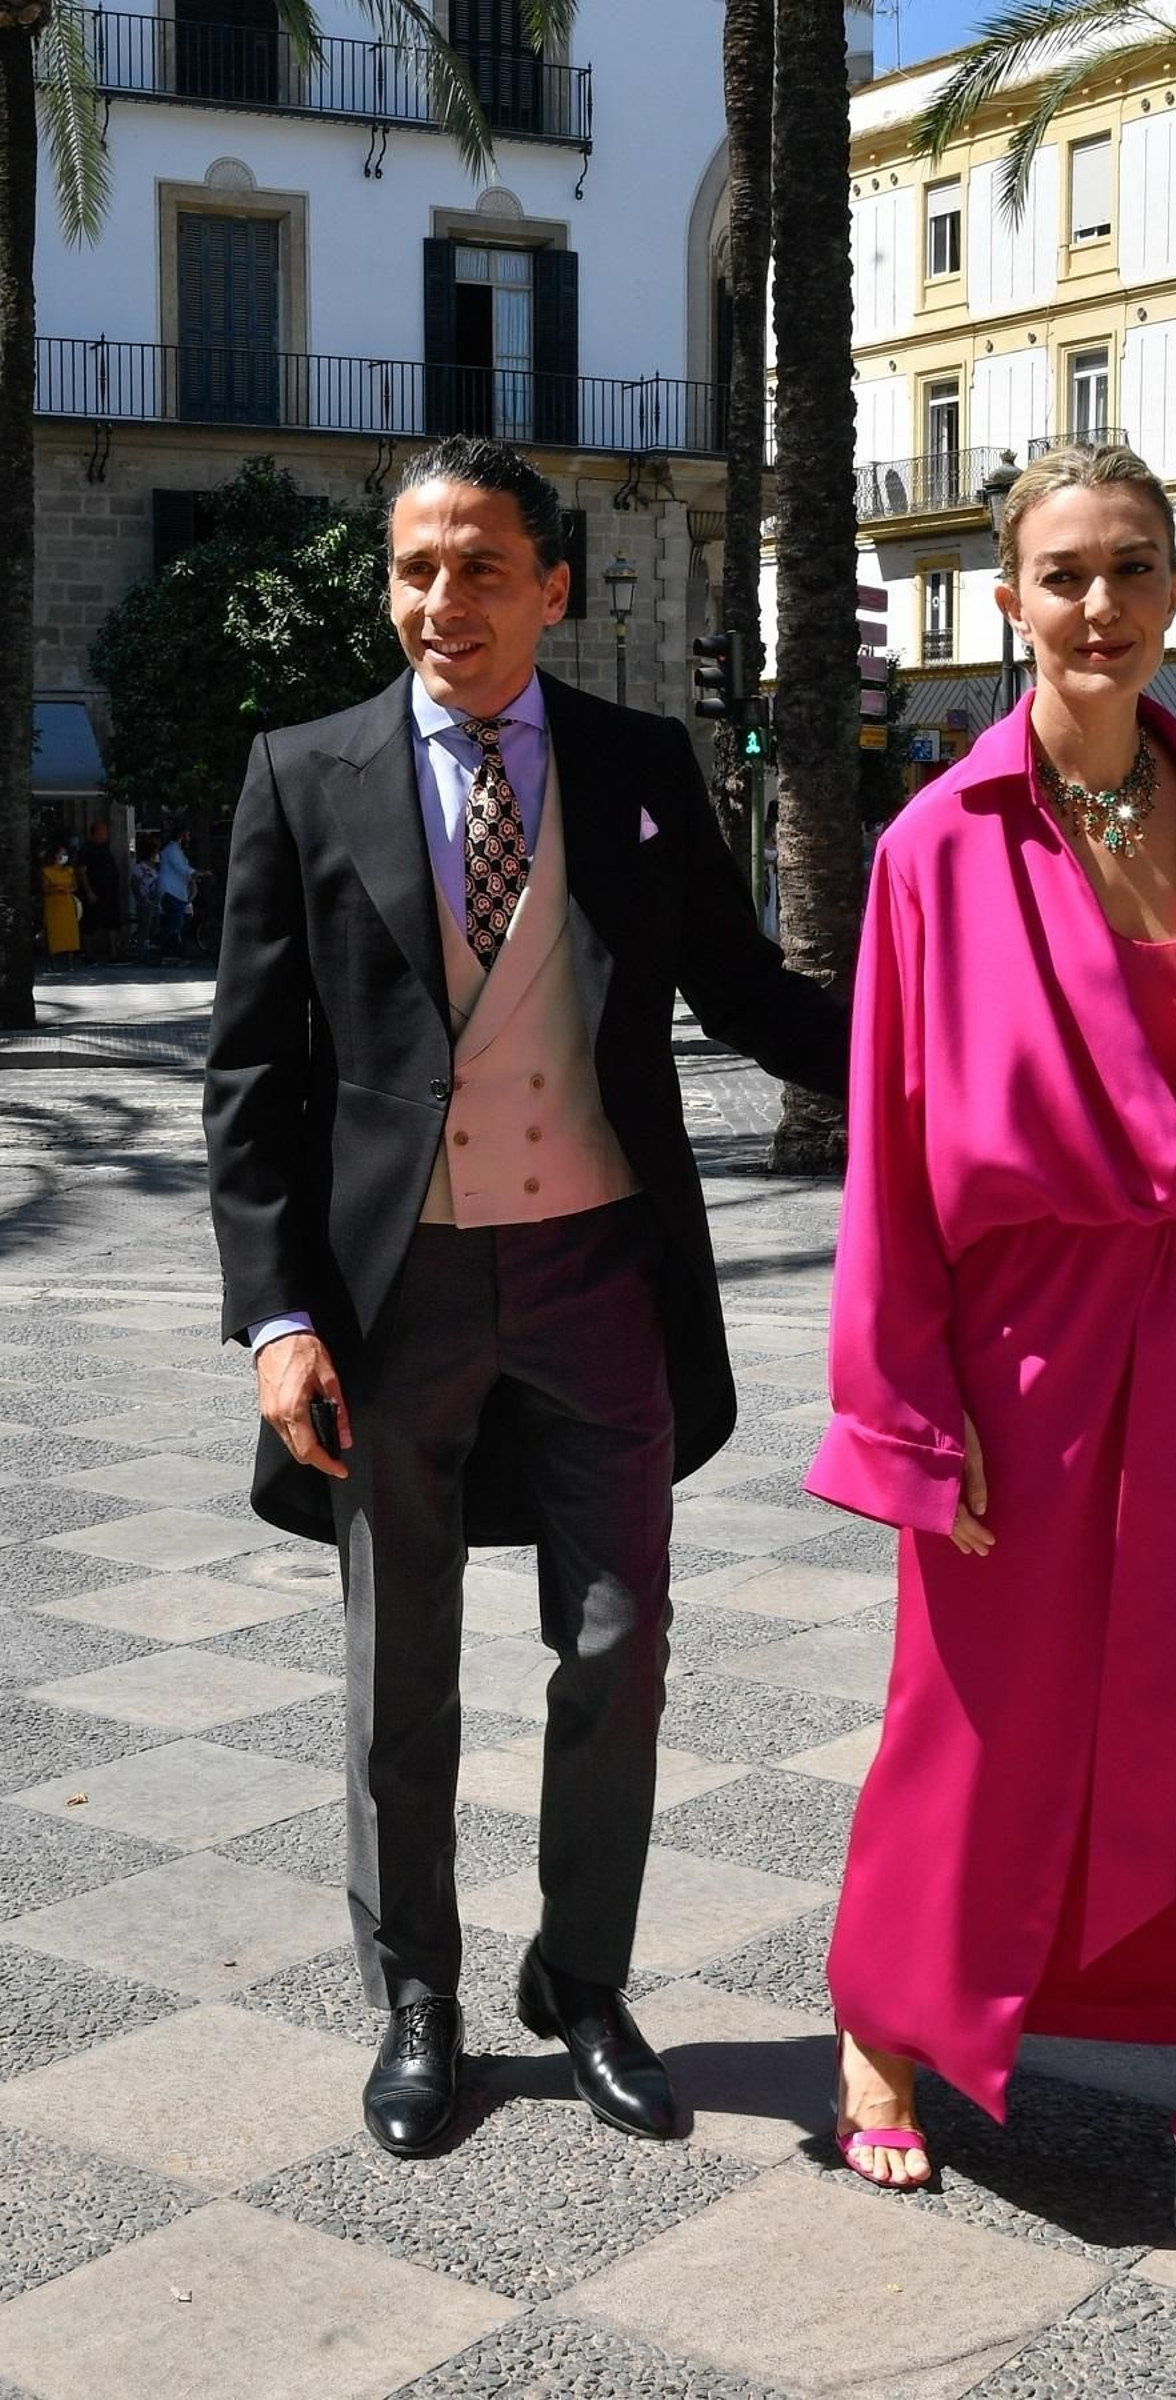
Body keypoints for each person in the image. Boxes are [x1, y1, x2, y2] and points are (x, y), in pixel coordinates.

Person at [204, 435, 847, 2161]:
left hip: (599, 1278)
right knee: (396, 1664)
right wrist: (275, 1318)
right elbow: (251, 1076)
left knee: (618, 1652)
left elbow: (745, 991)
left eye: (480, 566)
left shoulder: (639, 764)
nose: (440, 602)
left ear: (552, 586)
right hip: (389, 1296)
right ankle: (418, 1995)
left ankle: (583, 1979)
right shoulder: (305, 771)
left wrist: (950, 1061)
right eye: (415, 568)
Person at [806, 445, 1176, 2319]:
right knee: (973, 1720)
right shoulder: (934, 844)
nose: (1098, 607)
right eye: (1062, 575)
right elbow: (886, 1144)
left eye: (1131, 571)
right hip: (1012, 1349)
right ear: (1005, 598)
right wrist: (901, 1408)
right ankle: (883, 2019)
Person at [79, 821, 124, 961]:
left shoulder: (105, 848)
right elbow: (81, 872)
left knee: (112, 922)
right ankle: (89, 954)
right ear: (94, 834)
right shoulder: (86, 849)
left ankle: (114, 954)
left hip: (109, 893)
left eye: (106, 833)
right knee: (89, 923)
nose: (105, 835)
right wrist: (89, 891)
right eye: (102, 833)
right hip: (94, 892)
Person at [156, 826, 197, 960]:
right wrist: (195, 873)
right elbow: (181, 867)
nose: (189, 838)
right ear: (181, 834)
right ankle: (163, 951)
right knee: (175, 923)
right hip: (171, 891)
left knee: (181, 921)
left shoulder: (178, 850)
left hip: (179, 892)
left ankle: (172, 951)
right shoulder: (172, 850)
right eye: (187, 834)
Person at [40, 843, 81, 970]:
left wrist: (69, 889)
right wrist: (56, 889)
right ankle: (53, 964)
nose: (64, 856)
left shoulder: (70, 871)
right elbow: (45, 889)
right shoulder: (47, 871)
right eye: (62, 854)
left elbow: (75, 886)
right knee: (54, 934)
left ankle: (70, 964)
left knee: (70, 933)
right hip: (53, 905)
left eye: (65, 854)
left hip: (67, 904)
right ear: (55, 855)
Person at [130, 840, 160, 959]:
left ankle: (152, 951)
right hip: (145, 902)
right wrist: (142, 898)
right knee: (145, 927)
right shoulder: (140, 867)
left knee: (155, 926)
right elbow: (134, 884)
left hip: (154, 901)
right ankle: (142, 953)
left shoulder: (154, 867)